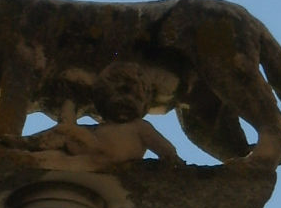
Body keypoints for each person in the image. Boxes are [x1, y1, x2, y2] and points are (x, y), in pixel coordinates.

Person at [26, 61, 183, 164]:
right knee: (63, 136)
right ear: (103, 97)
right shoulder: (100, 128)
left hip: (106, 157)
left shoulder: (139, 126)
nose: (128, 100)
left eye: (137, 97)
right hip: (90, 157)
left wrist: (172, 162)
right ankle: (28, 147)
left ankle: (29, 146)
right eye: (123, 91)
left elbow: (165, 149)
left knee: (68, 131)